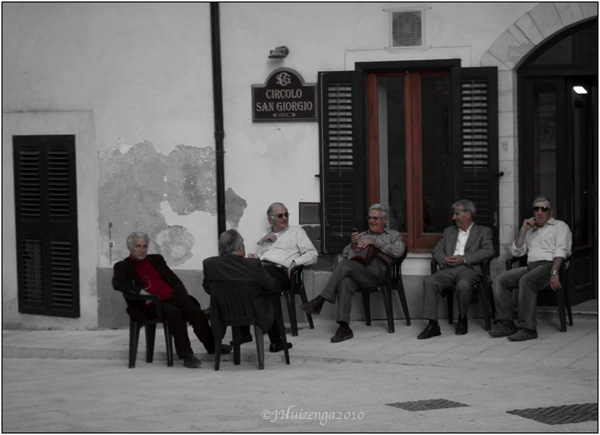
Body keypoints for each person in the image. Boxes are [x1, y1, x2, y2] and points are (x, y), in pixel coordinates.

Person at [112, 231, 231, 369]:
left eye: (144, 246)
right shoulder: (123, 266)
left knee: (193, 310)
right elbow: (118, 283)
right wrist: (141, 292)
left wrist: (182, 292)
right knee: (175, 313)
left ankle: (212, 346)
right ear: (129, 248)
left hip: (172, 297)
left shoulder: (156, 259)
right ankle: (187, 356)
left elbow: (173, 278)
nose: (142, 250)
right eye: (138, 246)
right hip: (150, 304)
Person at [300, 204, 405, 343]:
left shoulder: (393, 234)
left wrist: (375, 242)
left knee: (344, 265)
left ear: (384, 220)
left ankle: (320, 300)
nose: (372, 221)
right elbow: (346, 254)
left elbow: (399, 251)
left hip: (381, 274)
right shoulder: (362, 235)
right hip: (362, 273)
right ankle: (344, 327)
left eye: (376, 218)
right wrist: (352, 243)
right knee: (345, 282)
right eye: (370, 218)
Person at [490, 196, 572, 341]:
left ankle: (528, 328)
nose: (539, 212)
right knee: (501, 280)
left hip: (550, 265)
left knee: (526, 281)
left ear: (550, 212)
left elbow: (561, 251)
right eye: (536, 209)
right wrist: (523, 230)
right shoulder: (530, 229)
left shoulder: (560, 226)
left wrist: (554, 272)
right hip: (531, 267)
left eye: (544, 209)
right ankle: (506, 323)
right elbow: (516, 252)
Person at [235, 202, 317, 344]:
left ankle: (274, 338)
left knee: (259, 283)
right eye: (280, 215)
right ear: (270, 218)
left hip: (282, 273)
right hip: (263, 271)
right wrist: (260, 245)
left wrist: (294, 263)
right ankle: (247, 333)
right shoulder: (265, 236)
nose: (284, 218)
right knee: (242, 282)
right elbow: (259, 259)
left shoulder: (297, 232)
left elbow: (312, 254)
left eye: (286, 214)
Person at [202, 229, 292, 353]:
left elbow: (207, 287)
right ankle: (276, 341)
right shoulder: (252, 264)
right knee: (272, 297)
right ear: (239, 246)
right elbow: (270, 286)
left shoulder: (209, 264)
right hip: (253, 313)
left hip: (225, 311)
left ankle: (227, 339)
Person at [417, 200, 495, 339]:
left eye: (457, 214)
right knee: (430, 281)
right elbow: (437, 250)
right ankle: (433, 325)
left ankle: (462, 318)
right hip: (448, 269)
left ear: (468, 214)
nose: (453, 218)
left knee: (463, 285)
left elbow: (489, 251)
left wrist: (464, 259)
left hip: (469, 269)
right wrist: (444, 259)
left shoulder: (484, 231)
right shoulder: (449, 231)